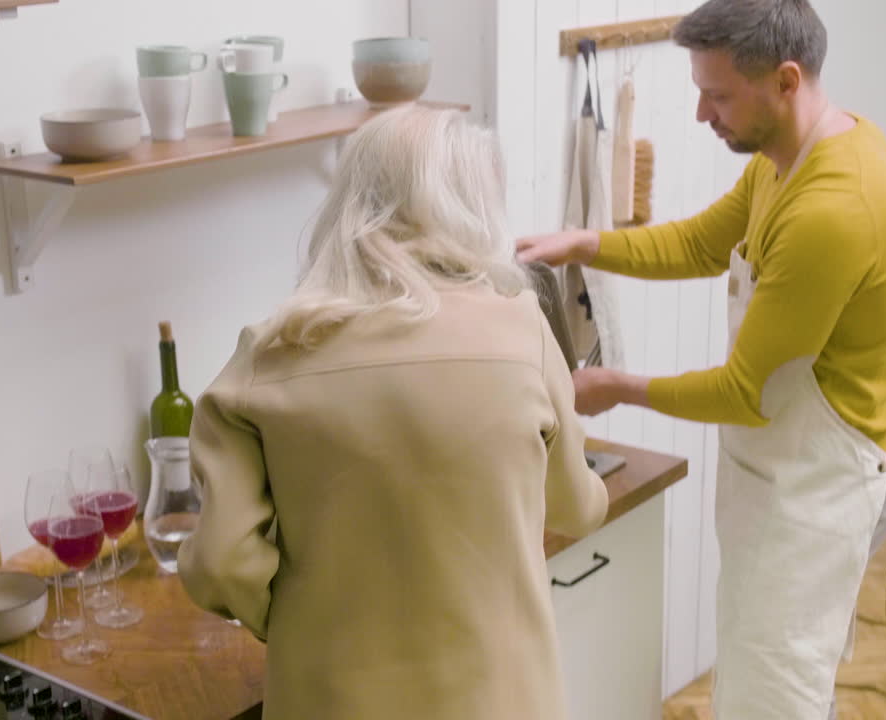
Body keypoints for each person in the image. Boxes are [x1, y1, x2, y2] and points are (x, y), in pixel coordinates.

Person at [517, 0, 886, 717]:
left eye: (719, 94)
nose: (702, 114)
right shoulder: (788, 159)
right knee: (763, 680)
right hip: (784, 476)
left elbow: (744, 393)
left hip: (819, 491)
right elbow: (701, 244)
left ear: (787, 80)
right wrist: (582, 243)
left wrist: (611, 386)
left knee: (779, 693)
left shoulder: (833, 207)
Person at [177, 105, 610, 720]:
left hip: (329, 697)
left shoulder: (270, 349)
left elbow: (219, 560)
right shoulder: (523, 332)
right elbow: (574, 505)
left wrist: (306, 619)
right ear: (473, 209)